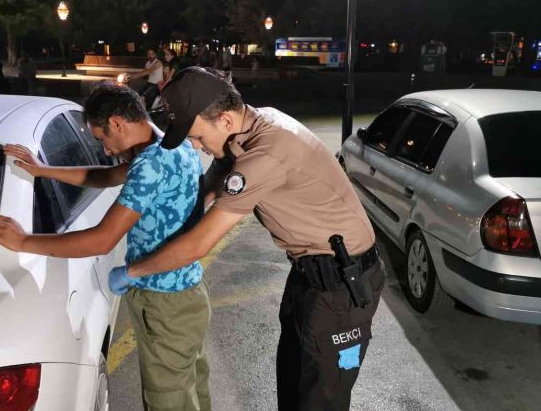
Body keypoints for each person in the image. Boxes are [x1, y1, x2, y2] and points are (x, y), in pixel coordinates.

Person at [112, 67, 385, 411]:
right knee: (294, 384)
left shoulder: (266, 153)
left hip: (342, 288)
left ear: (225, 119)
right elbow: (211, 186)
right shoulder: (249, 127)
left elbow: (199, 244)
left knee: (321, 399)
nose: (197, 147)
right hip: (311, 276)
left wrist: (134, 271)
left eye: (198, 137)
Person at [0, 83, 212, 411]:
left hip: (165, 303)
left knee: (169, 402)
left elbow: (102, 240)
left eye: (102, 138)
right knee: (191, 388)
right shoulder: (172, 144)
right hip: (189, 293)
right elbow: (105, 176)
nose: (105, 149)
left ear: (117, 123)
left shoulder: (150, 165)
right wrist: (41, 170)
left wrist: (22, 241)